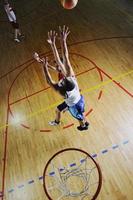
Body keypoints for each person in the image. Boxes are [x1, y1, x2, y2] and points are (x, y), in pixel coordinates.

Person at [34, 26, 89, 131]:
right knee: (77, 111)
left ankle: (83, 126)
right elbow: (63, 58)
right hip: (77, 97)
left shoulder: (63, 91)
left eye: (59, 65)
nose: (57, 65)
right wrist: (59, 42)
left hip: (74, 103)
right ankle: (84, 121)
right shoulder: (70, 77)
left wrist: (43, 63)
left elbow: (50, 79)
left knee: (79, 116)